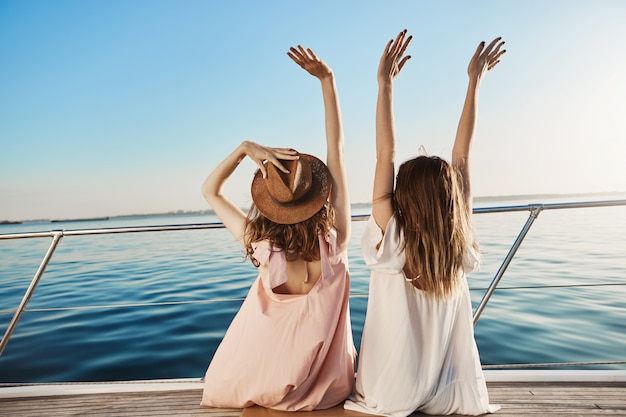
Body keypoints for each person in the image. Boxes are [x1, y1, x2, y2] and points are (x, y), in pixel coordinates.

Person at [344, 30, 506, 416]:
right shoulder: (458, 240)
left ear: (404, 196)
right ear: (451, 199)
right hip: (443, 386)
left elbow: (386, 155)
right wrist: (475, 82)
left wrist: (384, 85)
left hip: (391, 390)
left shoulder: (393, 237)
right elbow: (461, 159)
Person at [200, 45, 356, 412]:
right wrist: (327, 81)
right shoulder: (336, 241)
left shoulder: (261, 244)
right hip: (327, 389)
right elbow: (338, 151)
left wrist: (243, 149)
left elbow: (210, 190)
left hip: (262, 380)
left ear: (269, 203)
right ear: (317, 196)